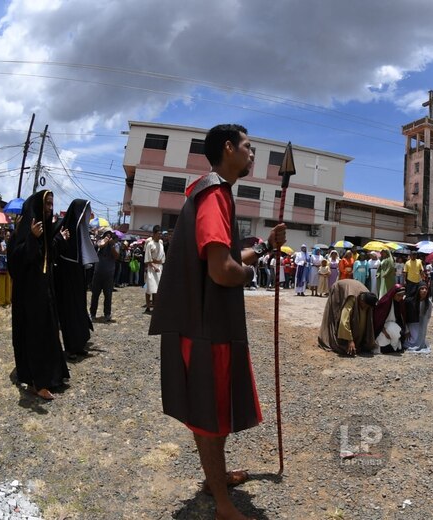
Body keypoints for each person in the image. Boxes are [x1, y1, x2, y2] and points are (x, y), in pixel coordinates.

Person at [149, 123, 286, 520]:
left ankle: (217, 478)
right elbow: (222, 271)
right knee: (210, 414)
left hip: (207, 323)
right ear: (228, 148)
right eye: (248, 146)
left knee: (215, 408)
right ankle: (222, 504)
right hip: (206, 327)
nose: (252, 154)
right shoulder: (214, 195)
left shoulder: (213, 192)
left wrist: (263, 249)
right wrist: (251, 274)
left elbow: (223, 257)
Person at [8, 190, 70, 401]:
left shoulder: (45, 229)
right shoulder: (25, 229)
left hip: (45, 291)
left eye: (52, 204)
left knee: (49, 332)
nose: (50, 208)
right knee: (35, 335)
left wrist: (59, 239)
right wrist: (32, 239)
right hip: (29, 295)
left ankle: (52, 375)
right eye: (47, 204)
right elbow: (15, 260)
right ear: (37, 206)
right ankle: (37, 382)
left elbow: (48, 255)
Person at [55, 199, 98, 358]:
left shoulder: (81, 231)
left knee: (79, 310)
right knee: (69, 313)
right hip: (66, 278)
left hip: (78, 276)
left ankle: (79, 344)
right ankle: (71, 347)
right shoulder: (64, 228)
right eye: (85, 211)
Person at [318, 278, 378, 356]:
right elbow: (344, 320)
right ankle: (332, 338)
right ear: (362, 301)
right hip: (339, 288)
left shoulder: (368, 297)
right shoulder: (352, 298)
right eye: (365, 306)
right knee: (335, 315)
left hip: (354, 286)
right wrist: (350, 340)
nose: (366, 308)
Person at [89, 227, 119, 323]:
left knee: (108, 295)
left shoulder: (115, 244)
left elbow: (116, 256)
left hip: (109, 274)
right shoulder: (99, 242)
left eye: (110, 235)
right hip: (98, 273)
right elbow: (99, 246)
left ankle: (107, 314)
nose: (108, 236)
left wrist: (112, 246)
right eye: (107, 234)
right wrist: (105, 242)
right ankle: (92, 314)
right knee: (95, 295)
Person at [373, 284, 407, 353]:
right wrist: (384, 331)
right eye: (399, 295)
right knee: (384, 345)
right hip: (383, 328)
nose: (400, 298)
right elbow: (378, 320)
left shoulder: (400, 303)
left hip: (394, 328)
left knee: (396, 346)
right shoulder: (384, 302)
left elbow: (400, 319)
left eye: (402, 296)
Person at [402, 282, 433, 353]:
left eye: (426, 289)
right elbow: (404, 317)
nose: (424, 291)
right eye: (422, 289)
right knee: (413, 340)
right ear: (418, 290)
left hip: (421, 323)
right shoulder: (409, 302)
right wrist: (406, 330)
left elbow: (428, 317)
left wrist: (423, 327)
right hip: (410, 324)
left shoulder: (429, 303)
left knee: (420, 339)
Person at [143, 225, 165, 313]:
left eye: (160, 233)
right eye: (158, 233)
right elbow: (147, 259)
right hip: (151, 268)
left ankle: (155, 306)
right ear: (154, 234)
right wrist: (153, 265)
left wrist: (159, 264)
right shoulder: (150, 244)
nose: (160, 235)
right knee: (150, 287)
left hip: (159, 267)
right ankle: (148, 306)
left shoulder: (161, 244)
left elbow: (163, 258)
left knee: (157, 288)